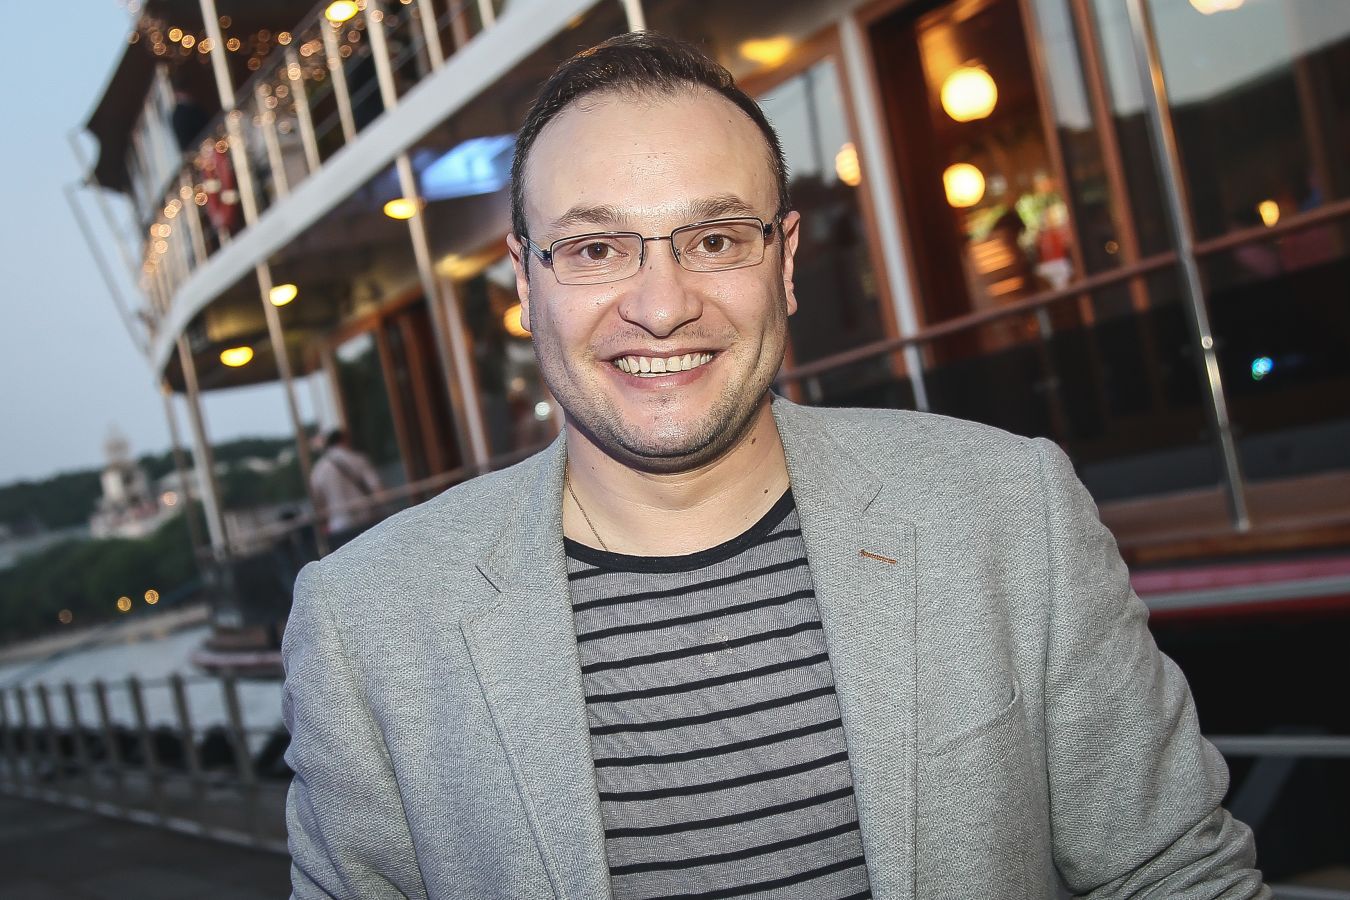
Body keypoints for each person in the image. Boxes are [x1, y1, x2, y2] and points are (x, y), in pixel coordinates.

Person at [282, 32, 1268, 899]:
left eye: (715, 239)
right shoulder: (366, 626)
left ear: (785, 260)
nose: (662, 306)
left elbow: (1173, 874)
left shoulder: (1011, 509)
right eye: (594, 249)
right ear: (525, 280)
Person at [307, 429, 383, 549]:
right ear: (344, 440)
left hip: (338, 527)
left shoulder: (318, 470)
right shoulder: (357, 459)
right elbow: (377, 488)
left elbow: (318, 503)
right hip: (366, 519)